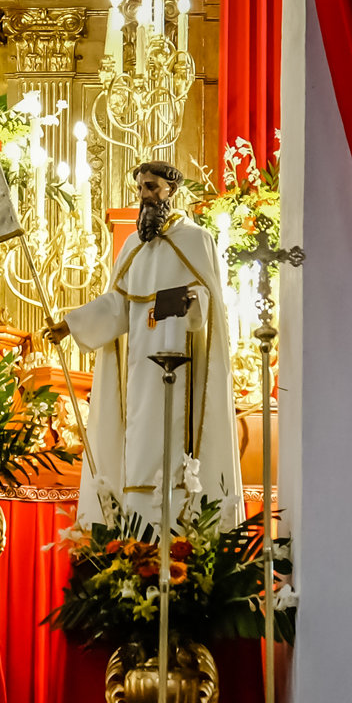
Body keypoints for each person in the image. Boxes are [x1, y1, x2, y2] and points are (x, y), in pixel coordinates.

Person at [42, 159, 240, 526]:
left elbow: (208, 304)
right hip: (140, 376)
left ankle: (185, 523)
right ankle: (136, 532)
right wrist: (70, 325)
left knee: (177, 450)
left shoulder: (197, 240)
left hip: (184, 372)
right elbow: (116, 305)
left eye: (152, 188)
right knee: (138, 447)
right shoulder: (133, 246)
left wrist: (179, 303)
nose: (145, 196)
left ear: (171, 190)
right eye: (141, 189)